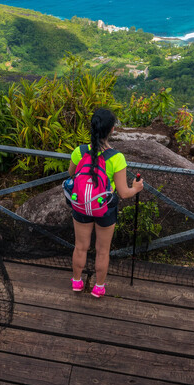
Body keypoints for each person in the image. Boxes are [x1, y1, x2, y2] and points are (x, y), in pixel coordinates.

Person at [67, 108, 143, 298]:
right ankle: (98, 287)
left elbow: (71, 174)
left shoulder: (79, 151)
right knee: (102, 251)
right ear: (112, 130)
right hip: (105, 210)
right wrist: (136, 188)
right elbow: (124, 193)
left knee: (80, 246)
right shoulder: (116, 158)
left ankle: (77, 282)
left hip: (82, 205)